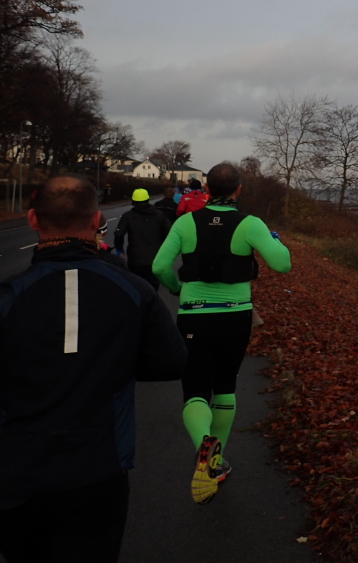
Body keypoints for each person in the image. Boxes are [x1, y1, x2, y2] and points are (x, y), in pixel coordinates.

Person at [0, 175, 187, 563]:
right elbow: (170, 362)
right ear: (96, 219)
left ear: (33, 220)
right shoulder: (133, 290)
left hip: (17, 471)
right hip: (99, 470)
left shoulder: (10, 296)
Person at [153, 162, 291, 504]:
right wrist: (275, 240)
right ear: (238, 190)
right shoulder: (250, 224)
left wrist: (175, 288)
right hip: (235, 316)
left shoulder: (186, 222)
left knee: (196, 389)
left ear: (206, 189)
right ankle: (215, 459)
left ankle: (205, 446)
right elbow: (283, 264)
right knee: (226, 385)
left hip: (194, 315)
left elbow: (158, 266)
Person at [114, 189, 171, 291]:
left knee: (137, 288)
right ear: (148, 199)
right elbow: (169, 234)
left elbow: (119, 234)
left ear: (133, 201)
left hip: (135, 259)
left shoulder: (128, 216)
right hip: (155, 259)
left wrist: (119, 249)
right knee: (152, 289)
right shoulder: (159, 215)